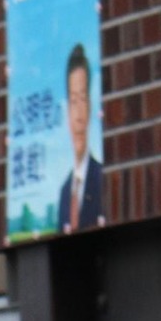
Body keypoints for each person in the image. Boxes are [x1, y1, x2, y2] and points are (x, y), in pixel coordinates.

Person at [57, 43, 105, 233]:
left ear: (91, 106)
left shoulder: (102, 179)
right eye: (73, 101)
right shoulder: (64, 192)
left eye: (82, 100)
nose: (78, 116)